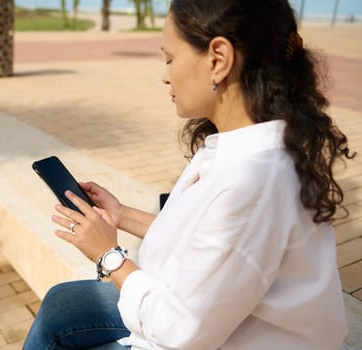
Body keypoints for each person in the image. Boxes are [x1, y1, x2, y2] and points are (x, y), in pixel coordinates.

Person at [23, 0, 355, 348]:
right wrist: (120, 215)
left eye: (170, 58)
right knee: (61, 306)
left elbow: (180, 330)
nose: (165, 75)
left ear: (218, 60)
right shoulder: (238, 148)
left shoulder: (254, 182)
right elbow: (203, 242)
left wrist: (108, 256)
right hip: (201, 309)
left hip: (200, 331)